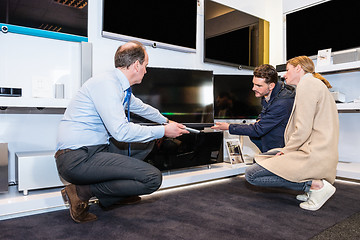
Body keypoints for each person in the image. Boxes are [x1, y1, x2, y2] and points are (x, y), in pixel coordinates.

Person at [55, 41, 189, 223]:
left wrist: (166, 121)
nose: (146, 71)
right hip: (77, 158)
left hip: (96, 150)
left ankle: (116, 193)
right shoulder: (106, 85)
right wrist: (164, 131)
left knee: (145, 142)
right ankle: (80, 192)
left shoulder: (119, 86)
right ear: (136, 65)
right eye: (146, 66)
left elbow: (142, 108)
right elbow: (120, 132)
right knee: (152, 178)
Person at [245, 56, 339, 211]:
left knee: (252, 175)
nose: (284, 75)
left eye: (287, 70)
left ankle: (315, 185)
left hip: (313, 153)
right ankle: (311, 188)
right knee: (261, 160)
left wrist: (285, 151)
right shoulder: (314, 84)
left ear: (298, 68)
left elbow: (302, 129)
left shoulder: (307, 85)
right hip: (315, 150)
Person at [211, 64, 295, 153]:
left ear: (271, 86)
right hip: (269, 148)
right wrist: (260, 121)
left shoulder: (281, 103)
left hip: (278, 151)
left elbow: (257, 130)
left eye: (258, 85)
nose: (253, 88)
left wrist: (228, 127)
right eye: (254, 84)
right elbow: (262, 116)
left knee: (252, 167)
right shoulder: (268, 94)